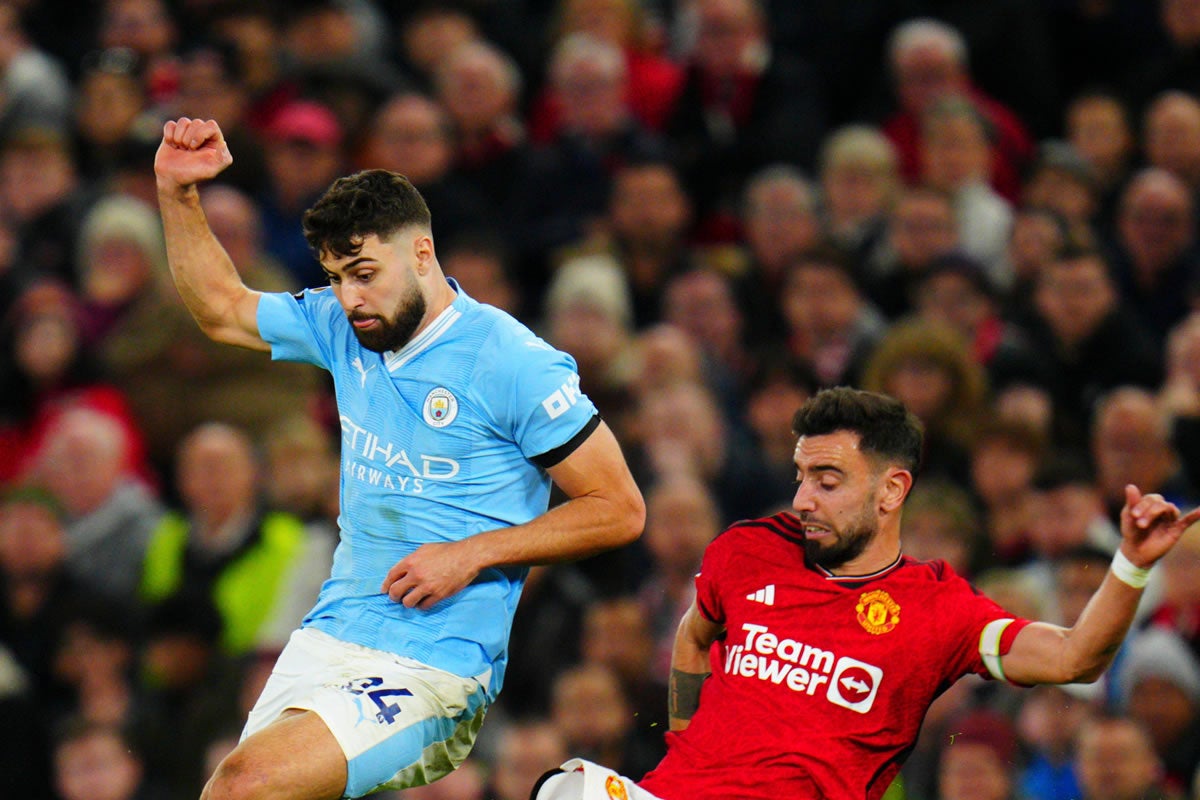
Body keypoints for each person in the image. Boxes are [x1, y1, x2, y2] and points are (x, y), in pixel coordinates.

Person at [153, 117, 645, 799]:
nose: (350, 297)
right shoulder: (340, 326)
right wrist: (176, 193)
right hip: (330, 636)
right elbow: (221, 308)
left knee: (247, 784)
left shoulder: (511, 362)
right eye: (335, 277)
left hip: (434, 665)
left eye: (363, 273)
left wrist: (473, 552)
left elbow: (619, 509)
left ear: (421, 253)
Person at [534, 386, 1200, 800]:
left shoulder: (941, 609)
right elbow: (692, 633)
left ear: (891, 491)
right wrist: (683, 739)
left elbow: (1075, 657)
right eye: (800, 475)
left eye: (827, 480)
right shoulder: (749, 549)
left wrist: (1132, 566)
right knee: (563, 785)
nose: (802, 499)